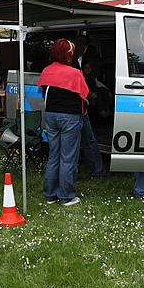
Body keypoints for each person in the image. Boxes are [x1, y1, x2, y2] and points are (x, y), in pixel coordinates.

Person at [38, 38, 89, 206]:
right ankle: (66, 196)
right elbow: (84, 94)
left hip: (51, 115)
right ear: (67, 55)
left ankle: (50, 195)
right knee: (68, 157)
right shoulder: (74, 73)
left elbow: (42, 90)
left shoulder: (46, 70)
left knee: (54, 155)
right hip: (70, 117)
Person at [71, 37, 105, 177]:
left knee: (87, 140)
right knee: (87, 140)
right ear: (83, 48)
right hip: (77, 108)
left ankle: (95, 169)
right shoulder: (74, 63)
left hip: (79, 107)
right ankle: (96, 170)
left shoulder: (78, 61)